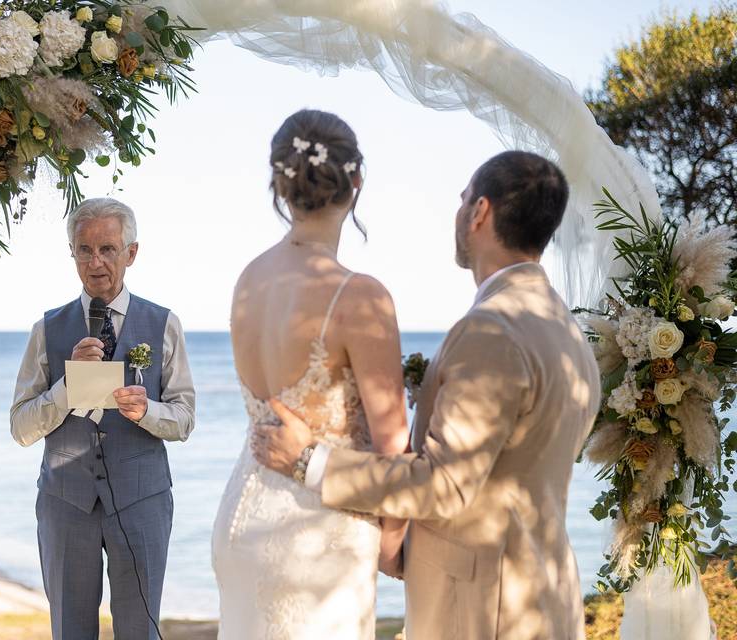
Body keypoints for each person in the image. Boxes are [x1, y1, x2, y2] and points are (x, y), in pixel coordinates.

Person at [254, 151, 601, 640]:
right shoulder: (567, 330)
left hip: (484, 607)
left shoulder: (492, 330)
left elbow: (445, 483)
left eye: (462, 200)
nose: (457, 212)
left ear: (480, 212)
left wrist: (310, 461)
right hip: (543, 590)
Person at [211, 109, 411, 639]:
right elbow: (393, 442)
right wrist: (395, 542)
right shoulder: (360, 296)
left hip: (242, 517)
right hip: (316, 536)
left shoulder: (249, 280)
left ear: (279, 183)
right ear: (356, 182)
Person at [10, 197, 195, 640]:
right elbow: (20, 426)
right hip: (65, 504)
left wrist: (146, 410)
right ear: (72, 253)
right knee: (70, 632)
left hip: (143, 500)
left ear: (131, 253)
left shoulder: (164, 324)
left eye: (108, 249)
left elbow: (185, 419)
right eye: (84, 250)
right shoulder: (47, 329)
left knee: (139, 631)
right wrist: (66, 389)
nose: (96, 262)